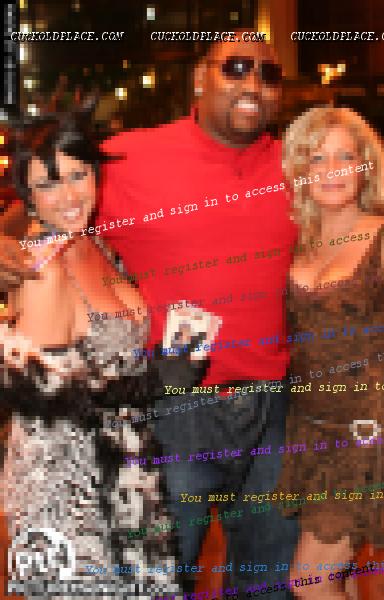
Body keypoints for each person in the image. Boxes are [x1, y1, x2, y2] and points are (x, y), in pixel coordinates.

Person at [0, 37, 298, 595]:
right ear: (200, 80)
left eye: (268, 73)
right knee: (163, 574)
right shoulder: (130, 157)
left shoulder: (296, 163)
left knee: (268, 579)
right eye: (235, 67)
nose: (253, 82)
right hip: (169, 416)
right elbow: (43, 192)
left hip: (271, 406)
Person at [0, 110, 219, 599]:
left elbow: (103, 356)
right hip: (66, 487)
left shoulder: (95, 243)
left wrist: (166, 362)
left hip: (126, 470)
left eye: (78, 175)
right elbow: (40, 398)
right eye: (48, 184)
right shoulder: (43, 269)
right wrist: (154, 382)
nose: (69, 195)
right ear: (28, 197)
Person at [279, 105, 384, 599]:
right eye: (316, 158)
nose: (331, 170)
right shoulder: (297, 242)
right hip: (309, 427)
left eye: (345, 157)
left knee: (308, 582)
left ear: (365, 165)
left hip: (370, 429)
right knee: (337, 580)